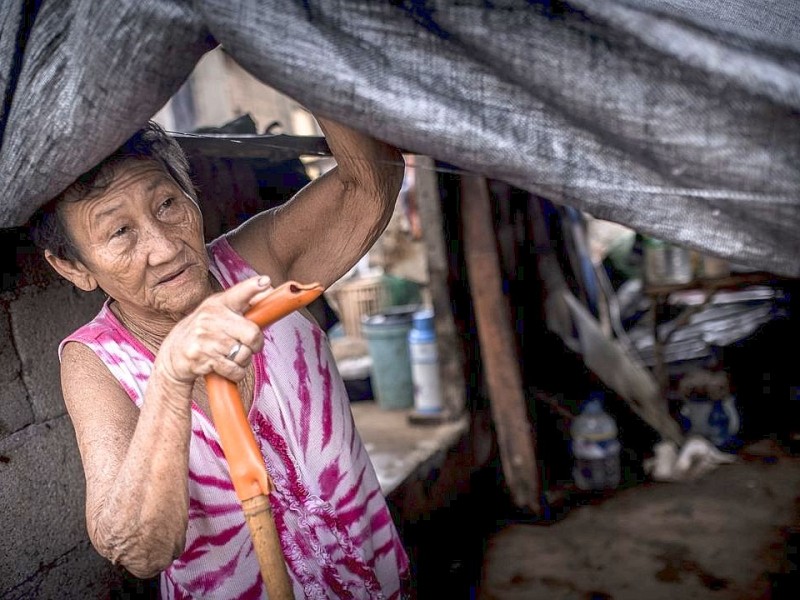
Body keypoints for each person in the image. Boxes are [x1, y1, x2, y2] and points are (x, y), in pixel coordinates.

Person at [30, 117, 410, 599]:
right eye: (121, 232)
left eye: (167, 204)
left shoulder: (258, 263)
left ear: (190, 193)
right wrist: (170, 376)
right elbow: (139, 551)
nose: (165, 248)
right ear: (73, 266)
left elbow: (370, 185)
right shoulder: (94, 362)